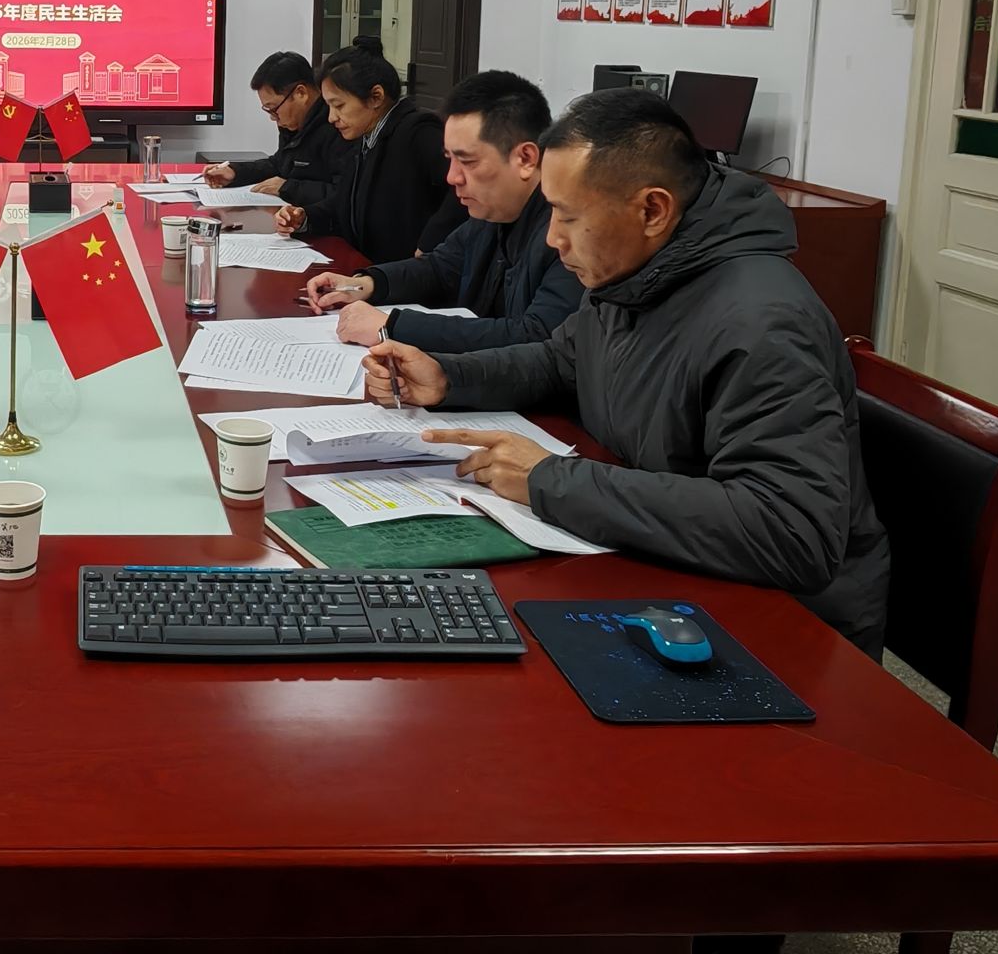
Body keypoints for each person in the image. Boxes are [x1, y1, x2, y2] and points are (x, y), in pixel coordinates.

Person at [361, 88, 890, 654]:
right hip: (667, 575)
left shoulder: (762, 323)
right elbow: (562, 359)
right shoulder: (638, 271)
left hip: (787, 630)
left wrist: (551, 480)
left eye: (569, 216)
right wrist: (448, 378)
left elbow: (788, 530)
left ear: (652, 210)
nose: (552, 238)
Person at [303, 70, 580, 355]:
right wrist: (365, 284)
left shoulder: (569, 232)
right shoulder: (491, 214)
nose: (452, 177)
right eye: (450, 159)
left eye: (467, 161)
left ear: (525, 158)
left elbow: (536, 336)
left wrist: (392, 326)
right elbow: (439, 268)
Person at [273, 36, 464, 265]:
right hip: (369, 268)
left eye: (339, 105)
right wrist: (305, 217)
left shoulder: (417, 132)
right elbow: (344, 203)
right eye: (329, 106)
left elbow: (462, 186)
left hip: (407, 272)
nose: (332, 117)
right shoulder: (364, 138)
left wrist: (430, 241)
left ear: (376, 97)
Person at [200, 51, 351, 205]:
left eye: (274, 108)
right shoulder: (293, 124)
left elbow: (344, 194)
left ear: (300, 93)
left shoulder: (340, 127)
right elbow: (280, 165)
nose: (273, 117)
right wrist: (235, 172)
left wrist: (288, 188)